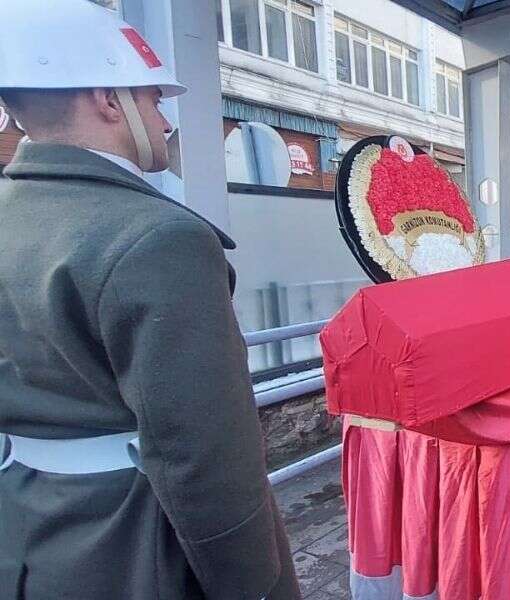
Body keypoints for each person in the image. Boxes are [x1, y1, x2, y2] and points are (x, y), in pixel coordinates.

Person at [0, 2, 300, 598]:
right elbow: (207, 464)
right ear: (110, 99)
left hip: (27, 536)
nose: (163, 124)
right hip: (134, 548)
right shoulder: (159, 239)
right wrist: (258, 585)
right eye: (153, 101)